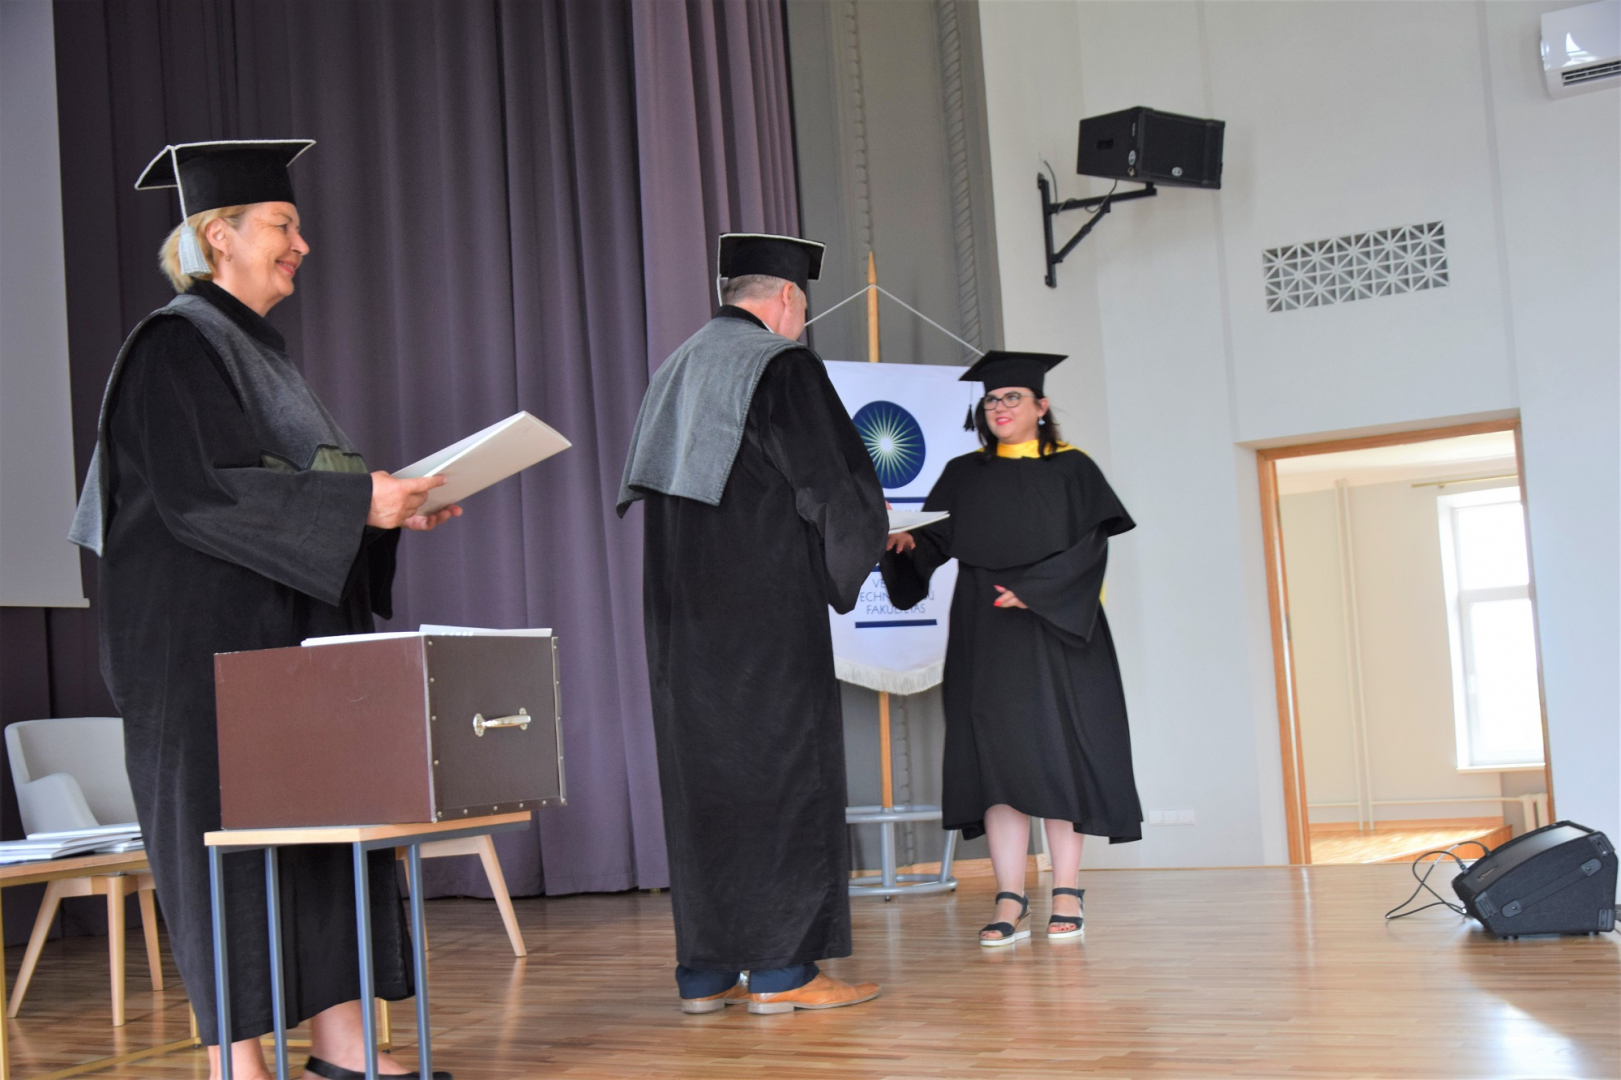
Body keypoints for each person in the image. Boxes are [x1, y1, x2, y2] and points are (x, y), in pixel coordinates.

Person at [70, 140, 459, 1080]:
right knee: (227, 847)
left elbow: (294, 490)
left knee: (325, 835)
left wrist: (383, 514)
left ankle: (345, 1052)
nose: (302, 245)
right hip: (197, 653)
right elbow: (200, 494)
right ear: (219, 236)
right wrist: (356, 504)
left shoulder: (257, 353)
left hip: (283, 638)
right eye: (283, 225)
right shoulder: (173, 344)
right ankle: (235, 1065)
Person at [619, 232, 889, 1014]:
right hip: (763, 619)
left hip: (680, 629)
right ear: (786, 299)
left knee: (704, 790)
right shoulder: (780, 366)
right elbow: (833, 487)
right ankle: (782, 974)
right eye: (801, 310)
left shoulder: (676, 368)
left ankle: (704, 975)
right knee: (782, 776)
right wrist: (861, 556)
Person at [881, 351, 1142, 947]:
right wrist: (904, 544)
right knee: (993, 762)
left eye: (1012, 398)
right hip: (985, 629)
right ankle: (1010, 897)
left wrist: (1036, 592)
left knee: (1060, 756)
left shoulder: (1073, 469)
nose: (999, 408)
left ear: (1040, 407)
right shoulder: (963, 473)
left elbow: (1091, 548)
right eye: (992, 400)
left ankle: (1067, 891)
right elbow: (933, 542)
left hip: (1057, 630)